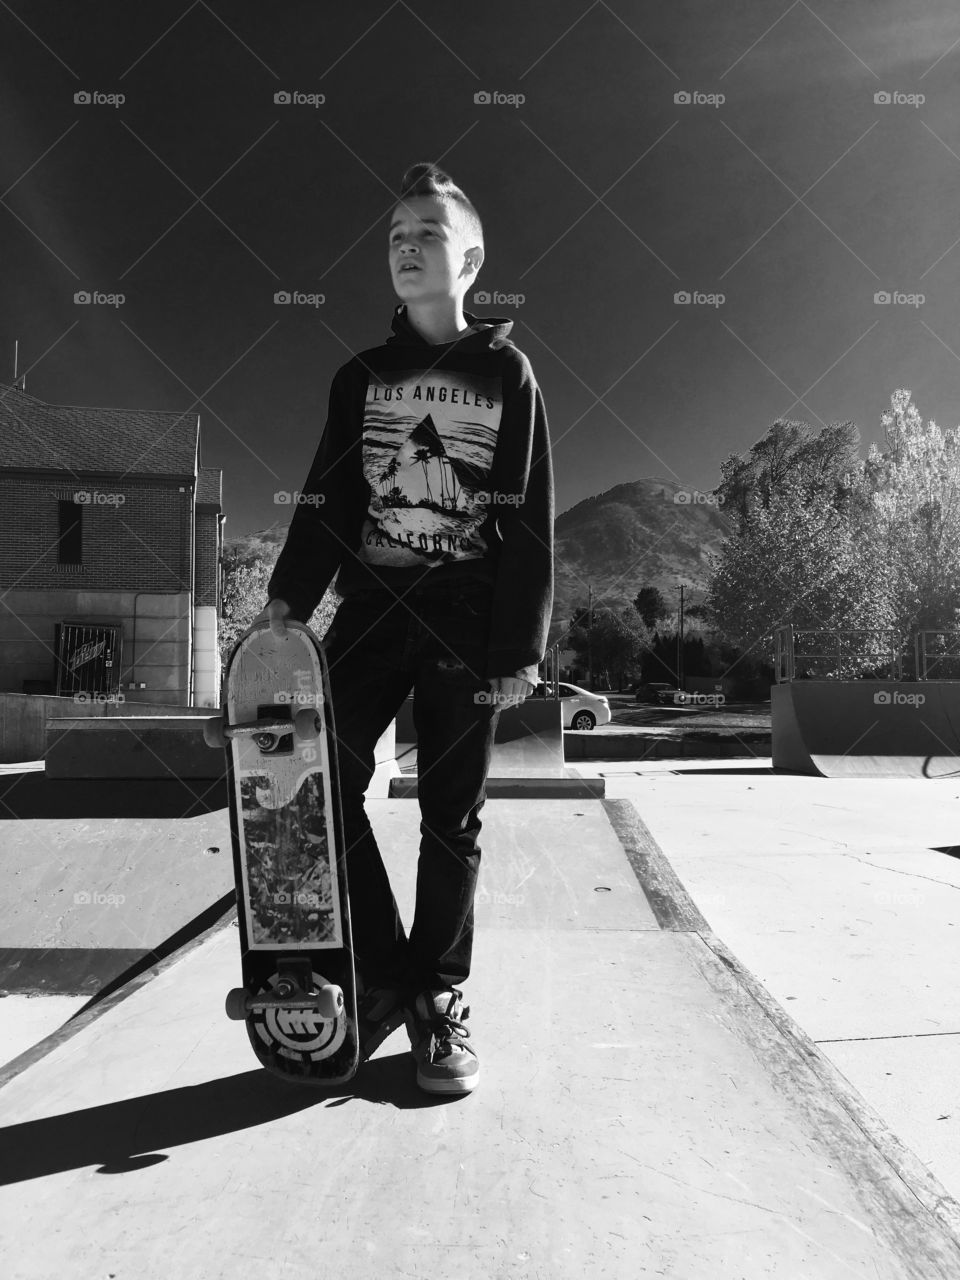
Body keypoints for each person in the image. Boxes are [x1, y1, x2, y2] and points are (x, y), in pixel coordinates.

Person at [256, 162, 554, 1095]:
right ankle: (384, 969)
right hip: (372, 615)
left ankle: (438, 997)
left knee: (449, 817)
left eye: (427, 231)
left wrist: (519, 650)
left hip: (468, 620)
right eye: (395, 234)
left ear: (470, 258)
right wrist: (286, 604)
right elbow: (328, 498)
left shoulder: (507, 371)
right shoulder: (363, 375)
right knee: (320, 789)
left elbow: (530, 516)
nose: (407, 245)